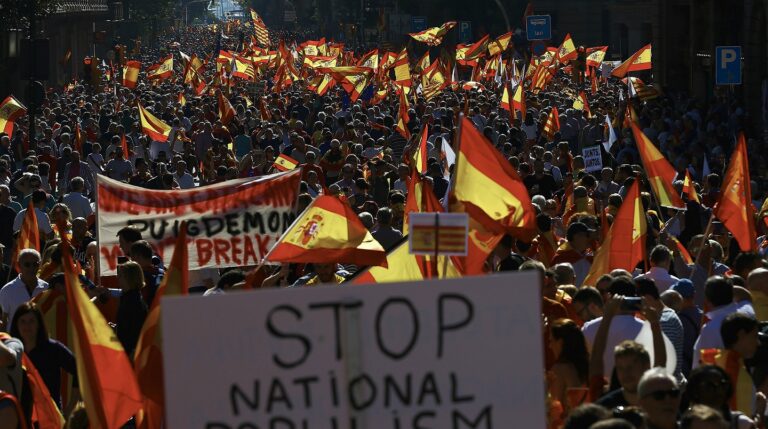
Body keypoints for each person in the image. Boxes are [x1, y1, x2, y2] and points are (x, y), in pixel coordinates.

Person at [9, 302, 79, 413]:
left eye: (31, 321)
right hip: (20, 417)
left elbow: (79, 369)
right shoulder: (10, 351)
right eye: (22, 321)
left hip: (50, 417)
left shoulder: (53, 349)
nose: (27, 326)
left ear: (38, 324)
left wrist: (71, 407)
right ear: (16, 325)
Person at [693, 276, 755, 368]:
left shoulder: (710, 329)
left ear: (707, 301)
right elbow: (745, 296)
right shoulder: (748, 312)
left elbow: (704, 367)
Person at [685, 365, 758, 429]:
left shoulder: (742, 424)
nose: (719, 390)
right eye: (710, 386)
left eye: (723, 384)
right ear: (695, 390)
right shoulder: (687, 423)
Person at [548, 319, 590, 416]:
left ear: (560, 342)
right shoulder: (587, 365)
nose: (550, 346)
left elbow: (556, 405)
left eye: (551, 340)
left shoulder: (559, 369)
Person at [0, 250, 48, 330]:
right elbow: (3, 322)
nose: (31, 268)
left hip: (40, 340)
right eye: (27, 264)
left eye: (35, 264)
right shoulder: (7, 290)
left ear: (39, 265)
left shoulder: (46, 288)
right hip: (16, 340)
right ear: (19, 265)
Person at [115, 261, 148, 358]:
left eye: (120, 276)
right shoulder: (128, 297)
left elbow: (136, 331)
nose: (117, 278)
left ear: (129, 279)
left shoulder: (133, 302)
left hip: (130, 354)